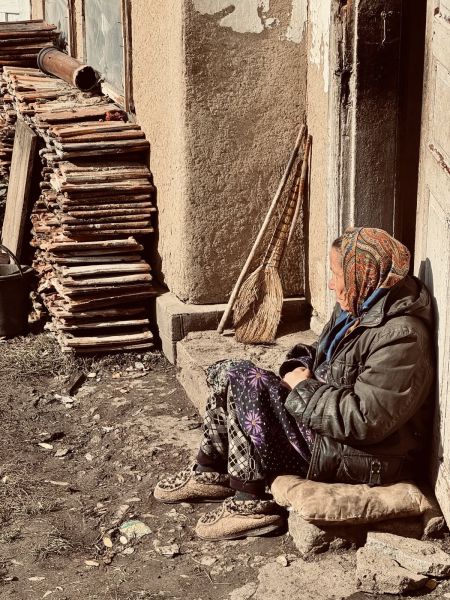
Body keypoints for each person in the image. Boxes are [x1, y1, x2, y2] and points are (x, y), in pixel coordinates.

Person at [154, 227, 435, 542]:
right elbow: (322, 356)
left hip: (362, 455)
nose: (331, 284)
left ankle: (252, 504)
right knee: (229, 371)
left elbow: (366, 420)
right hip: (327, 424)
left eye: (336, 274)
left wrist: (303, 388)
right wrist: (298, 367)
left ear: (362, 274)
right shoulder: (361, 307)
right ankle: (212, 471)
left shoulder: (402, 337)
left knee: (247, 381)